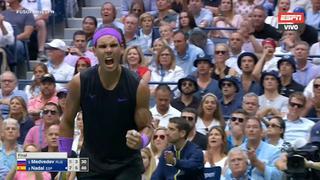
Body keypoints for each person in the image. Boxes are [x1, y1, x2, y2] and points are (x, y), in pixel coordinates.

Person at [59, 27, 153, 179]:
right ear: (94, 51)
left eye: (113, 45)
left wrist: (141, 140)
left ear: (122, 48)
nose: (108, 50)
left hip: (127, 164)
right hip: (90, 162)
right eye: (103, 46)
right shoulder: (80, 82)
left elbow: (147, 127)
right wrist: (63, 161)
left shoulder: (138, 86)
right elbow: (67, 121)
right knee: (25, 162)